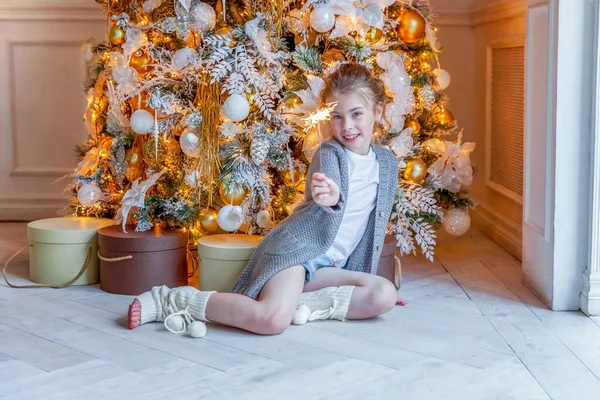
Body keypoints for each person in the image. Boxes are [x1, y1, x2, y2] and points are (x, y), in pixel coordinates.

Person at [128, 63, 405, 336]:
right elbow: (328, 188)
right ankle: (174, 300)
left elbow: (371, 229)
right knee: (271, 321)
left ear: (377, 112)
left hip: (330, 269)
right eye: (337, 117)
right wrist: (331, 198)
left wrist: (364, 289)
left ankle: (295, 302)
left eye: (357, 114)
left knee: (384, 295)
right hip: (298, 255)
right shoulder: (330, 154)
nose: (347, 126)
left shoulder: (386, 163)